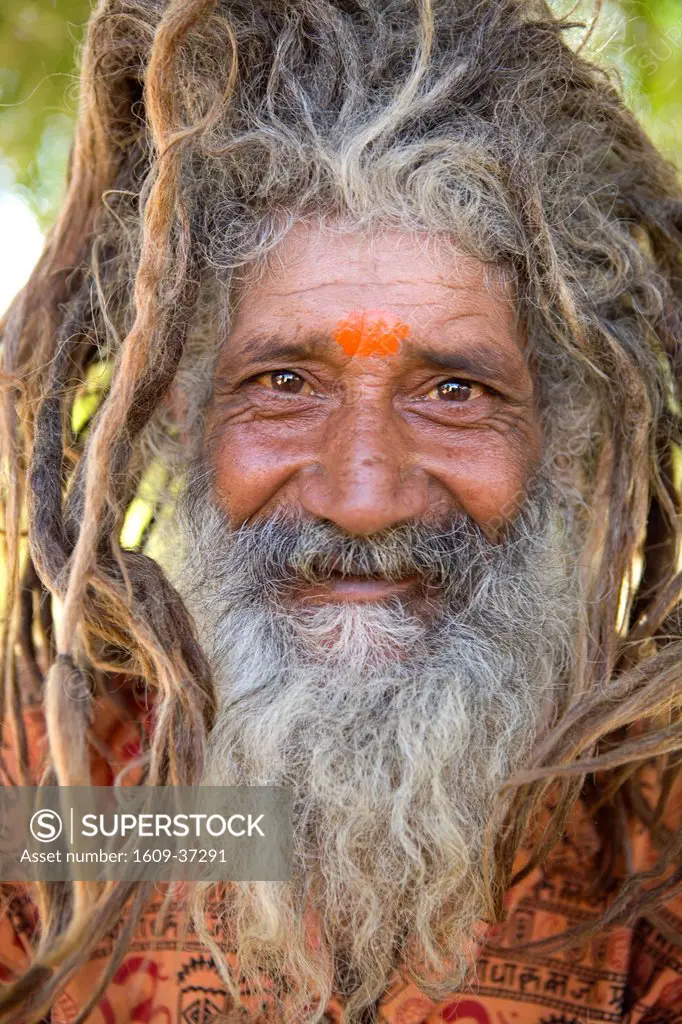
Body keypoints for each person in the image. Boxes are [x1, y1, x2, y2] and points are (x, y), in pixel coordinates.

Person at [1, 0, 681, 1021]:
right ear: (182, 410)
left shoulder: (650, 842)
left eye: (453, 391)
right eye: (283, 382)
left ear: (562, 431)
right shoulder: (54, 809)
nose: (363, 496)